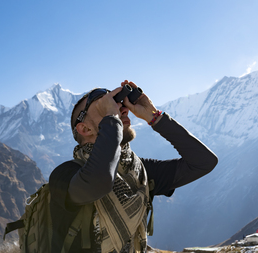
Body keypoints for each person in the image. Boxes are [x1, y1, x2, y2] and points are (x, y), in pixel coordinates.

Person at [49, 80, 218, 253]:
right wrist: (112, 118)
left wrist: (154, 116)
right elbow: (100, 180)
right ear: (84, 129)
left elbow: (204, 162)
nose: (120, 109)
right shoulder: (65, 176)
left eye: (118, 103)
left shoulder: (140, 172)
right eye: (104, 105)